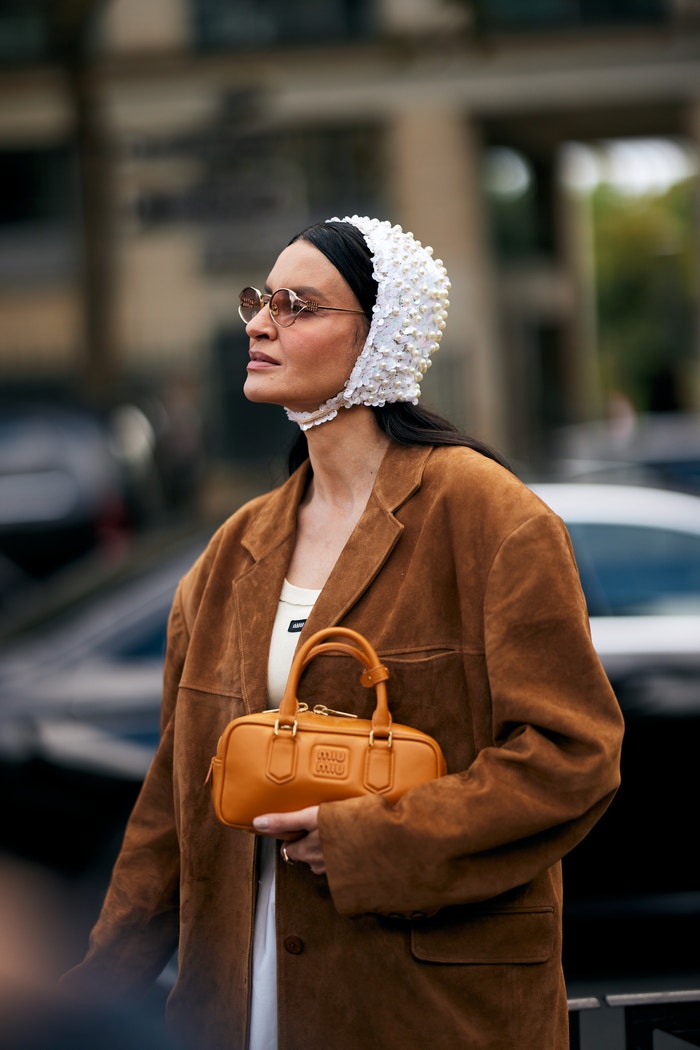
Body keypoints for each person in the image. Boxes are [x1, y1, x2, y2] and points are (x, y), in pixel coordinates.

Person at [60, 215, 624, 1050]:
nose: (258, 322)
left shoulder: (490, 517)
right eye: (260, 299)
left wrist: (370, 839)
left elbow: (575, 757)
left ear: (380, 338)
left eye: (297, 304)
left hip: (424, 1011)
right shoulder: (233, 550)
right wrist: (78, 1000)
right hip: (237, 1007)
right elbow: (167, 812)